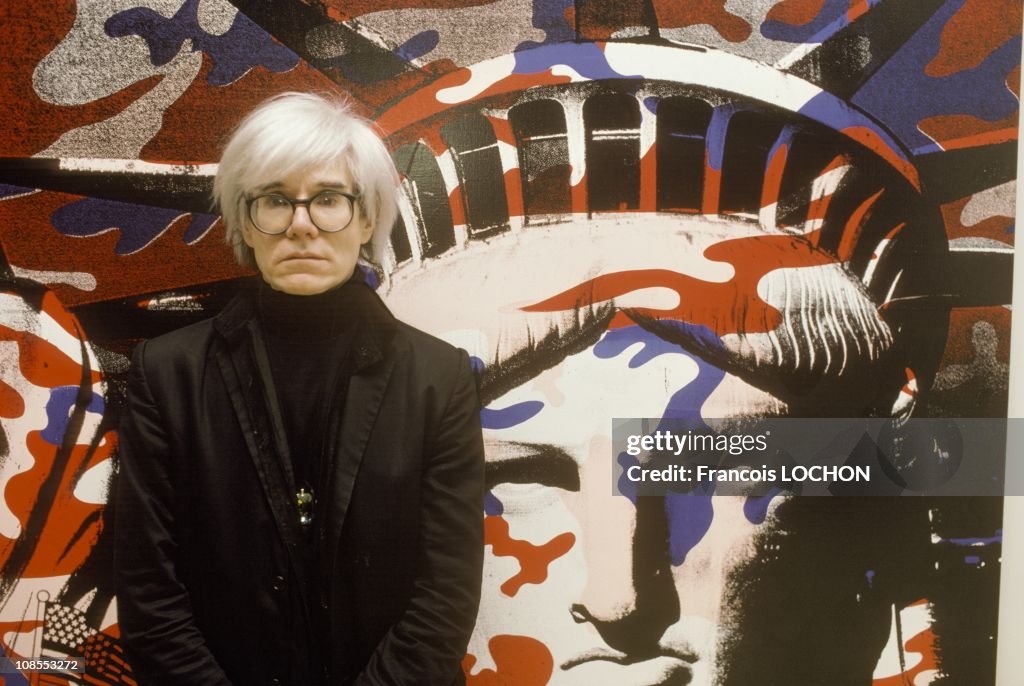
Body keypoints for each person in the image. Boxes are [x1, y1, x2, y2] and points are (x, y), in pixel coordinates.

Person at [114, 92, 485, 686]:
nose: (301, 224)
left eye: (330, 200)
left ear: (367, 219)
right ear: (244, 221)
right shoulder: (169, 372)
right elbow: (148, 589)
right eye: (275, 201)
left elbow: (447, 592)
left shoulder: (437, 377)